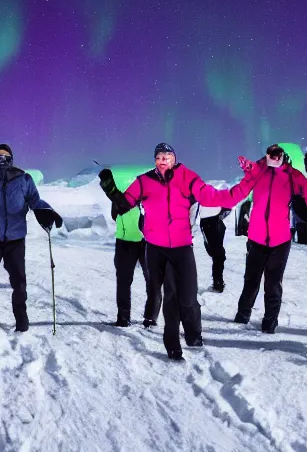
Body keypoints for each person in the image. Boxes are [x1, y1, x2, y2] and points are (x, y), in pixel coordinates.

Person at [98, 143, 253, 360]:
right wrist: (110, 189)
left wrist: (248, 182)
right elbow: (125, 204)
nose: (163, 160)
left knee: (188, 296)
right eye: (159, 156)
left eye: (167, 156)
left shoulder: (187, 177)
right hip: (155, 249)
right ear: (155, 160)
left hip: (181, 247)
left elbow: (217, 198)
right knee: (169, 296)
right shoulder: (144, 181)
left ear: (174, 158)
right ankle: (173, 346)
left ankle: (193, 334)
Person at [229, 144, 307, 334]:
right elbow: (242, 190)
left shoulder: (293, 176)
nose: (274, 157)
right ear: (267, 155)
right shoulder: (258, 171)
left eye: (278, 154)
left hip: (280, 240)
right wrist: (222, 199)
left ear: (283, 156)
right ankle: (243, 314)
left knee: (273, 283)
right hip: (257, 237)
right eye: (271, 154)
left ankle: (270, 321)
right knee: (251, 280)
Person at [0, 144, 63, 334]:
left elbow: (35, 200)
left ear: (11, 159)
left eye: (5, 156)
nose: (2, 159)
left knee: (18, 281)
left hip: (15, 240)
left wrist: (45, 211)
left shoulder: (24, 179)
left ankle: (21, 320)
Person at [110, 189, 159, 329]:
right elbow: (114, 215)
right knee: (124, 280)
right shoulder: (118, 197)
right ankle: (123, 317)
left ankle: (151, 317)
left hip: (148, 243)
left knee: (152, 280)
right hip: (125, 243)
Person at [200, 208, 230, 293]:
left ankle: (218, 283)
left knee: (217, 254)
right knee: (217, 253)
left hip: (213, 220)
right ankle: (218, 282)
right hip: (209, 219)